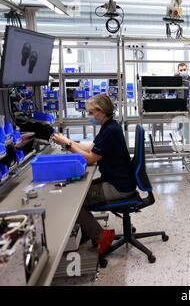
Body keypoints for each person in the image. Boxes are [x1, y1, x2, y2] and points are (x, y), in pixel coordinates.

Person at [52, 94, 136, 255]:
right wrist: (67, 141)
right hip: (118, 180)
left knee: (74, 200)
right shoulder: (110, 126)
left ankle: (102, 236)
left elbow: (90, 159)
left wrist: (68, 144)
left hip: (118, 186)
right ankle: (89, 232)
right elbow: (91, 148)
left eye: (91, 113)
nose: (89, 116)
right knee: (78, 191)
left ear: (101, 112)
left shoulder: (110, 130)